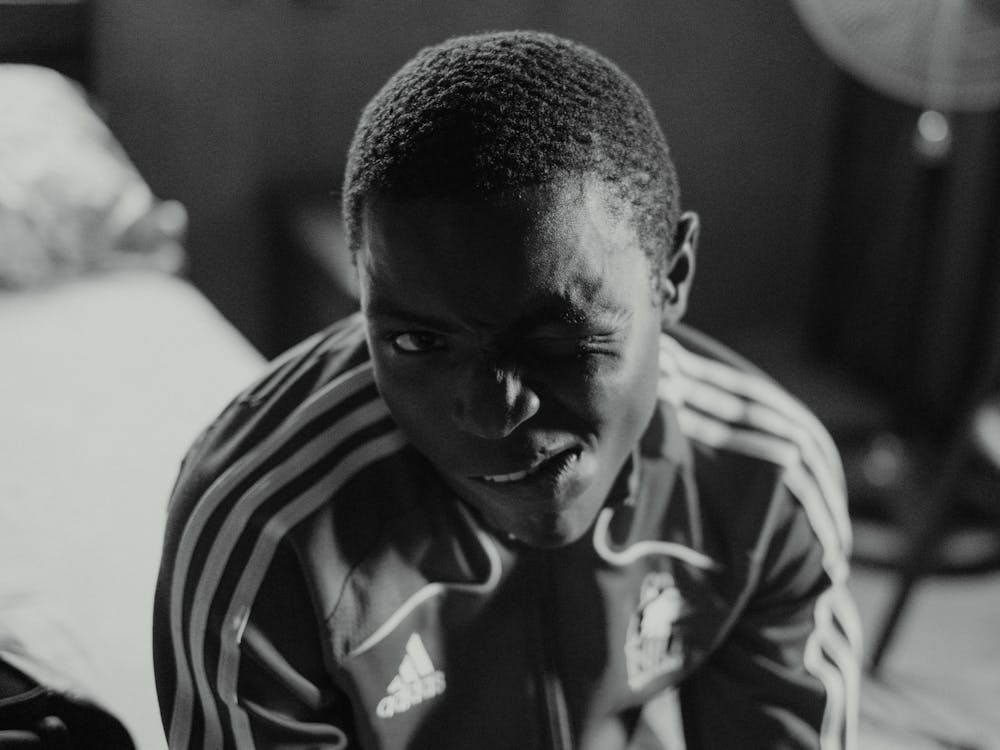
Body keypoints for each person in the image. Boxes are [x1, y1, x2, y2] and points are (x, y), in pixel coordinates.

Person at [153, 30, 861, 750]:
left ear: (671, 276)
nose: (492, 415)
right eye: (417, 342)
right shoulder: (266, 529)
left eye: (558, 343)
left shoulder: (765, 480)